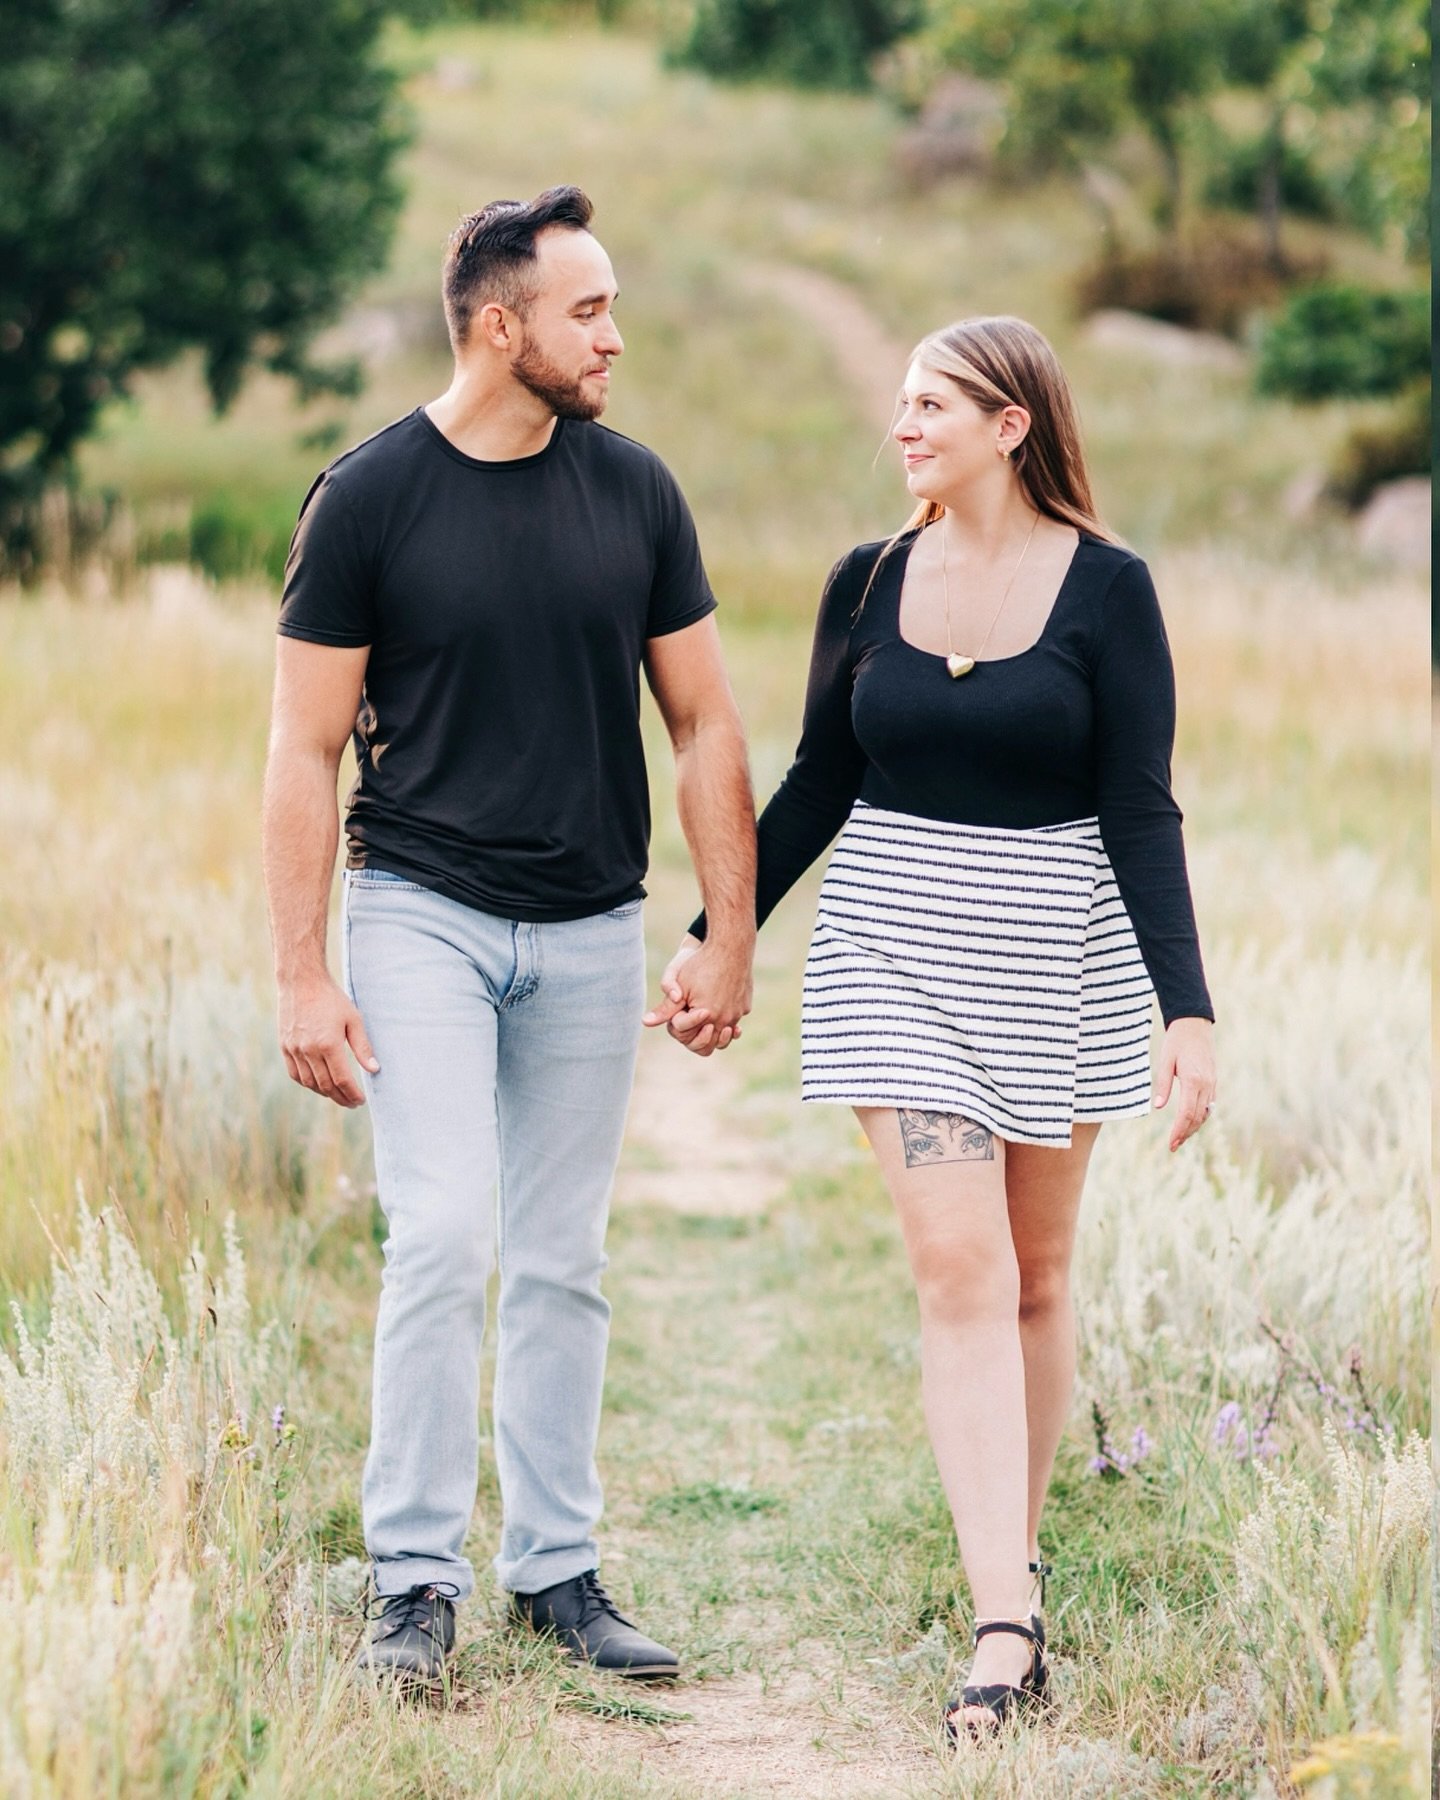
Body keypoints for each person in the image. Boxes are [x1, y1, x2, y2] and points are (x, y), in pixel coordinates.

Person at [650, 316, 1216, 1740]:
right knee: (957, 1265)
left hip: (1058, 953)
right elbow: (818, 782)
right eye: (900, 403)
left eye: (932, 403)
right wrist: (724, 936)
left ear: (1011, 424)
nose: (904, 425)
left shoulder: (1111, 591)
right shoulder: (870, 580)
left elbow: (1142, 805)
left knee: (1034, 1274)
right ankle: (1004, 1624)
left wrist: (1186, 1010)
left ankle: (1007, 1562)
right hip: (894, 948)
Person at [262, 186, 756, 1687]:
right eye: (587, 308)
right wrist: (302, 968)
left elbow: (705, 719)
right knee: (445, 1237)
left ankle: (556, 1572)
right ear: (502, 325)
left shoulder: (638, 492)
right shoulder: (367, 499)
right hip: (422, 915)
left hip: (595, 929)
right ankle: (412, 1579)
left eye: (609, 305)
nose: (614, 334)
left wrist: (726, 929)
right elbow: (304, 750)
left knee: (560, 1256)